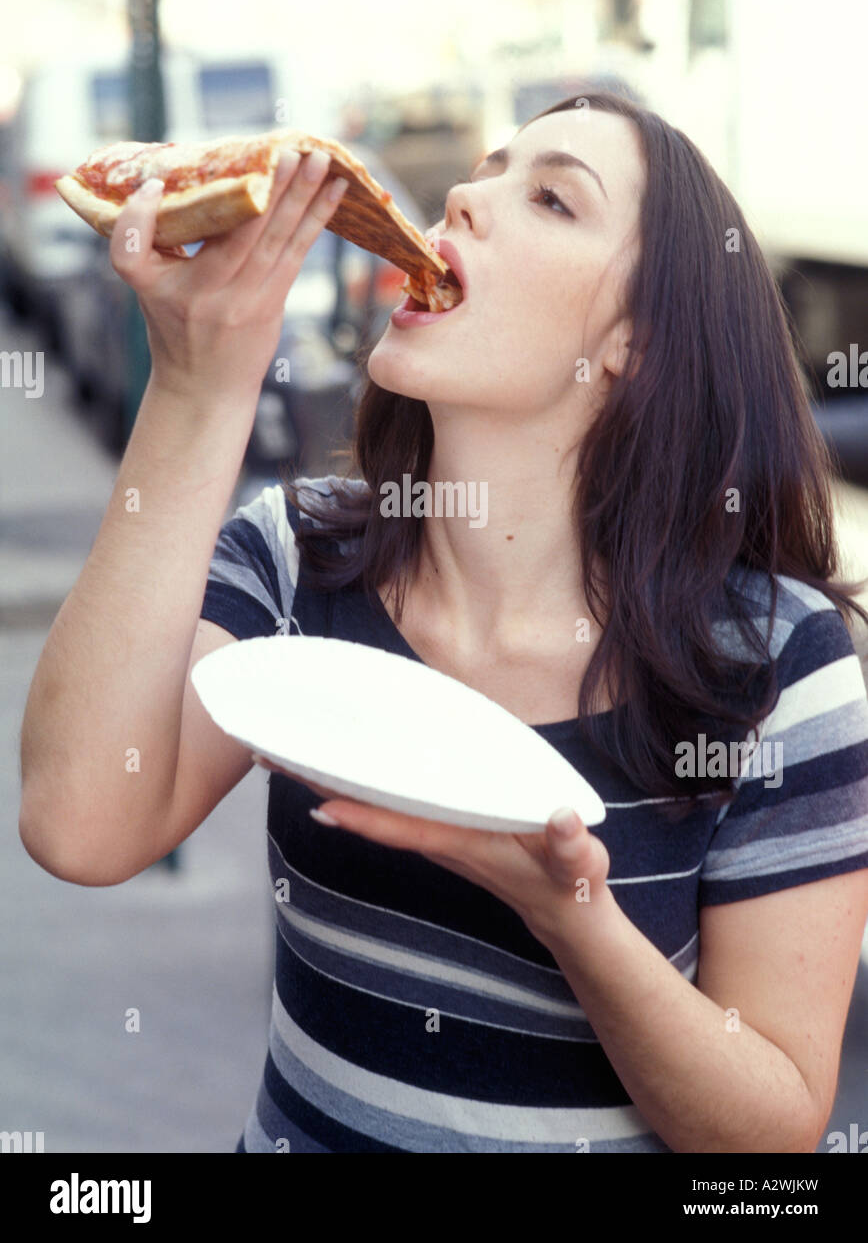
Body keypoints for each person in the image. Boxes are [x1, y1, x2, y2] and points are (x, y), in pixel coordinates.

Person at [19, 88, 868, 1154]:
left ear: (634, 344)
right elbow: (78, 824)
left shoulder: (777, 664)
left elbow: (772, 1128)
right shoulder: (298, 560)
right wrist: (198, 392)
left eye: (552, 199)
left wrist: (573, 920)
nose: (466, 197)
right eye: (487, 169)